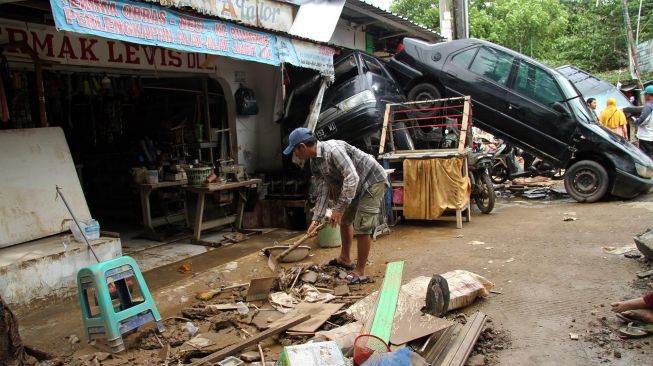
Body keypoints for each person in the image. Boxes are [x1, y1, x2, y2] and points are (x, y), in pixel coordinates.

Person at [283, 127, 388, 284]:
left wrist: (338, 209)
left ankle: (360, 272)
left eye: (295, 151)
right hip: (354, 187)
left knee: (362, 226)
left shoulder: (333, 150)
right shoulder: (314, 163)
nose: (295, 155)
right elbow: (323, 190)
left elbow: (351, 178)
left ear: (303, 147)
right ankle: (345, 259)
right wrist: (316, 218)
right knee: (345, 220)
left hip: (372, 181)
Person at [635, 85, 653, 159]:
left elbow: (643, 120)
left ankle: (649, 170)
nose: (644, 96)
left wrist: (636, 121)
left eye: (645, 94)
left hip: (646, 136)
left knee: (646, 157)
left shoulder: (648, 106)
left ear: (648, 95)